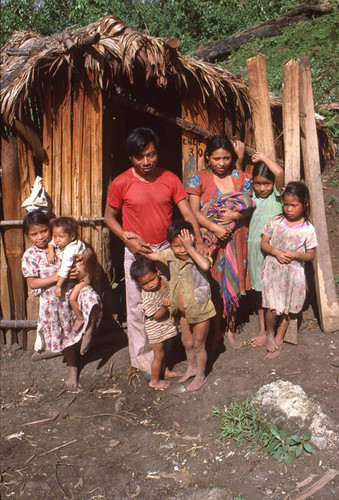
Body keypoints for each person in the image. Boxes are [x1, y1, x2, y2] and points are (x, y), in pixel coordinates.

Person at [104, 127, 204, 378]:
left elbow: (187, 212)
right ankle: (143, 361)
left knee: (168, 303)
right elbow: (109, 218)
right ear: (131, 158)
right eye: (140, 157)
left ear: (157, 153)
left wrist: (197, 241)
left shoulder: (169, 179)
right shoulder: (121, 182)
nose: (146, 162)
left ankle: (164, 356)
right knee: (138, 307)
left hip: (167, 250)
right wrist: (126, 239)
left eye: (150, 155)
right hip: (138, 251)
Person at [21, 210, 102, 387]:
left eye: (43, 231)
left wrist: (86, 255)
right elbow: (33, 283)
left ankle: (89, 329)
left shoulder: (61, 243)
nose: (40, 237)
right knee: (64, 334)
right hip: (54, 300)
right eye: (34, 234)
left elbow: (84, 249)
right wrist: (58, 276)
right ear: (28, 236)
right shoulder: (30, 256)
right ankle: (73, 367)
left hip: (74, 290)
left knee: (92, 298)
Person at [186, 135, 253, 350]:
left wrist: (236, 217)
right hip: (211, 240)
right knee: (214, 284)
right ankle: (216, 332)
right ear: (207, 158)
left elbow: (249, 206)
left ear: (232, 158)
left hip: (236, 237)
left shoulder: (241, 177)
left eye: (226, 158)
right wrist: (215, 227)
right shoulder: (197, 179)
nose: (222, 163)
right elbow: (193, 212)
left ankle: (230, 330)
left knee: (233, 282)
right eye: (216, 158)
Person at [147, 221, 216, 392]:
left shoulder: (198, 256)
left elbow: (206, 266)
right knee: (187, 342)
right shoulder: (171, 255)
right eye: (177, 246)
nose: (182, 250)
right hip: (183, 313)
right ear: (171, 245)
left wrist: (191, 248)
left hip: (201, 311)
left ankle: (200, 375)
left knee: (199, 344)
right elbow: (153, 255)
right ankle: (191, 367)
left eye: (185, 245)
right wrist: (135, 240)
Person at [261, 182, 317, 359]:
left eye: (294, 205)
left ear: (305, 204)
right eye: (286, 204)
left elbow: (310, 255)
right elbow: (264, 243)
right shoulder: (275, 222)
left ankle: (279, 336)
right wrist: (275, 251)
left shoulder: (308, 229)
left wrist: (295, 254)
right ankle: (269, 333)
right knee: (272, 307)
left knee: (286, 308)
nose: (289, 209)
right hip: (273, 271)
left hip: (293, 274)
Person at [247, 152, 284, 348]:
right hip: (253, 248)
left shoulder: (278, 196)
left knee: (274, 289)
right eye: (258, 183)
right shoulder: (251, 194)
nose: (262, 188)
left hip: (273, 250)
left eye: (266, 184)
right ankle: (262, 329)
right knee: (260, 291)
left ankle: (275, 328)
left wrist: (263, 158)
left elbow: (278, 172)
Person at [130, 256, 180, 390]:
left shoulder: (163, 281)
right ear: (139, 285)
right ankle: (155, 381)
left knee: (166, 351)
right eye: (144, 284)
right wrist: (164, 307)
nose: (150, 285)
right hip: (156, 328)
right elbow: (156, 316)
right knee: (158, 355)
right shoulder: (147, 296)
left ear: (157, 272)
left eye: (152, 279)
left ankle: (165, 371)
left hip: (166, 325)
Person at [48, 217, 91, 333]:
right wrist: (51, 252)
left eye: (60, 237)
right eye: (55, 236)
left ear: (72, 237)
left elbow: (65, 268)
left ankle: (80, 318)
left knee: (72, 299)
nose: (57, 240)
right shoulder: (61, 242)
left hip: (83, 280)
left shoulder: (71, 249)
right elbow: (51, 243)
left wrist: (58, 285)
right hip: (76, 280)